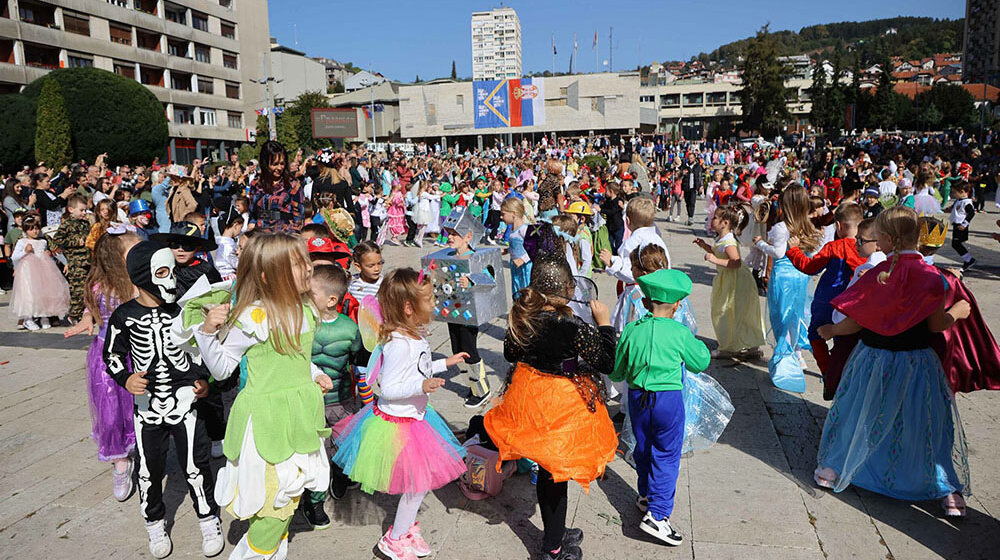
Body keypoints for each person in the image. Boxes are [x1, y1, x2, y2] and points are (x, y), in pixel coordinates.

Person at [814, 206, 973, 518]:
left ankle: (833, 468)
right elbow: (936, 324)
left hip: (873, 358)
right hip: (917, 362)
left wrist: (831, 329)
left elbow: (855, 321)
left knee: (859, 411)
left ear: (886, 239)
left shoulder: (877, 275)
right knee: (925, 421)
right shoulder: (932, 277)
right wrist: (958, 312)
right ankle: (946, 487)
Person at [184, 233, 331, 560]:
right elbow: (222, 369)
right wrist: (207, 333)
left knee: (287, 503)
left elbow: (297, 357)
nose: (308, 268)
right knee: (273, 508)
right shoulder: (253, 317)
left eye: (305, 260)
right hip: (266, 421)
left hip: (300, 414)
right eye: (296, 264)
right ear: (267, 275)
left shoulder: (305, 307)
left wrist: (313, 374)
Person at [482, 255, 618, 560]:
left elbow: (509, 352)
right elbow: (606, 362)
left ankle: (554, 531)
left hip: (529, 397)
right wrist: (606, 325)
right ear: (568, 288)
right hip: (562, 403)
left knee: (548, 471)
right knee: (556, 475)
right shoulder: (569, 323)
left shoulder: (523, 317)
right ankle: (553, 548)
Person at [332, 267, 469, 560]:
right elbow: (390, 388)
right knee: (416, 485)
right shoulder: (398, 344)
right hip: (398, 424)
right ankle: (394, 539)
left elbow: (420, 367)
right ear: (409, 308)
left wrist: (445, 363)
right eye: (429, 299)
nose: (434, 304)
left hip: (415, 418)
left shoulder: (413, 337)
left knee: (417, 487)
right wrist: (422, 384)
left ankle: (406, 527)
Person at [103, 241, 222, 559]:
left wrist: (204, 381)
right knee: (147, 470)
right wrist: (126, 379)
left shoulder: (184, 310)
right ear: (144, 276)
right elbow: (112, 356)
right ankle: (154, 523)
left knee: (196, 464)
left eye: (174, 271)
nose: (173, 279)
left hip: (185, 401)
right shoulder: (124, 316)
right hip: (147, 407)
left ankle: (208, 518)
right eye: (164, 272)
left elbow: (200, 350)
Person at [611, 269, 710, 547]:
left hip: (638, 398)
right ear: (677, 305)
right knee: (666, 455)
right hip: (668, 400)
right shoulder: (679, 332)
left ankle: (645, 495)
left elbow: (617, 371)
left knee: (643, 447)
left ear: (644, 303)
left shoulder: (633, 329)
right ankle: (658, 515)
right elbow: (700, 362)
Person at [65, 231, 140, 500]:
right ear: (117, 258)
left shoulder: (137, 283)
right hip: (106, 355)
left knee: (137, 405)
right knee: (110, 408)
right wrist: (88, 317)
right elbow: (91, 307)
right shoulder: (97, 286)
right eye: (134, 249)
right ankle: (121, 462)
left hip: (138, 352)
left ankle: (142, 447)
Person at [299, 264, 362, 528]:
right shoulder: (299, 323)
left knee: (341, 447)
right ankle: (312, 500)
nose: (303, 295)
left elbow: (358, 363)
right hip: (308, 401)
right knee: (312, 454)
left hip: (341, 400)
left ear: (331, 299)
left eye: (310, 292)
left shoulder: (350, 329)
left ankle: (339, 474)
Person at [784, 203, 865, 385]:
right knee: (844, 341)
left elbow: (810, 267)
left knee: (814, 334)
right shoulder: (866, 251)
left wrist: (794, 250)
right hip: (851, 306)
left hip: (827, 302)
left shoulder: (835, 246)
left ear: (838, 226)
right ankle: (841, 371)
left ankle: (827, 370)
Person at [753, 186, 818, 391]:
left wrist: (760, 243)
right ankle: (797, 354)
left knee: (781, 316)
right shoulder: (807, 225)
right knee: (795, 315)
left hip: (784, 277)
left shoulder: (782, 227)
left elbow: (778, 253)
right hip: (800, 275)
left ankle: (784, 359)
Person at [694, 206, 765, 358]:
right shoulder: (722, 238)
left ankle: (730, 347)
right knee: (736, 313)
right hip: (729, 280)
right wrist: (704, 246)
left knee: (728, 313)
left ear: (724, 223)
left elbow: (736, 262)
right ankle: (745, 345)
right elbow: (717, 251)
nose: (712, 219)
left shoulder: (729, 242)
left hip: (735, 282)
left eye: (714, 218)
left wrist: (714, 260)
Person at [10, 215, 71, 330]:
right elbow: (14, 257)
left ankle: (44, 316)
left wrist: (47, 254)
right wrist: (25, 251)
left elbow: (49, 252)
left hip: (43, 270)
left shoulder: (43, 241)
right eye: (31, 229)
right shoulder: (22, 242)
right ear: (25, 230)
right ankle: (28, 319)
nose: (35, 231)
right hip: (28, 271)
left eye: (37, 228)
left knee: (44, 292)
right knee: (29, 294)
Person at [52, 195, 93, 322]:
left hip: (88, 260)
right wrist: (76, 241)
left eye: (85, 210)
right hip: (76, 263)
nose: (84, 213)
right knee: (77, 291)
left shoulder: (85, 223)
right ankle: (74, 314)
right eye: (81, 210)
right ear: (71, 209)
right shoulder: (67, 225)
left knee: (88, 289)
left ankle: (85, 313)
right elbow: (57, 240)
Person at [251, 141, 303, 233]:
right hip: (261, 235)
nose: (279, 168)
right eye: (275, 164)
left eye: (282, 163)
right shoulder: (256, 184)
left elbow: (298, 216)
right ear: (265, 164)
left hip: (285, 235)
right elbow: (253, 212)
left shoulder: (293, 184)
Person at [501, 197, 531, 297]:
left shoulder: (524, 229)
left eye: (503, 214)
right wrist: (507, 250)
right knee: (517, 289)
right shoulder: (512, 231)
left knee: (526, 290)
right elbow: (516, 245)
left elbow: (535, 248)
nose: (501, 217)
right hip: (515, 266)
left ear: (513, 213)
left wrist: (522, 260)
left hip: (525, 267)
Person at [945, 181, 976, 270]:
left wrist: (965, 224)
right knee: (956, 244)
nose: (954, 194)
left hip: (961, 226)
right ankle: (968, 260)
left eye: (955, 192)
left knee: (956, 244)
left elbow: (971, 213)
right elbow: (955, 207)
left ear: (962, 191)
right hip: (956, 225)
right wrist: (949, 209)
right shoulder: (959, 200)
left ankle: (969, 260)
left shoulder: (967, 202)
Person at [213, 207, 243, 282]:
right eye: (241, 227)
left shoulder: (218, 241)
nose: (241, 230)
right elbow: (235, 263)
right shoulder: (228, 245)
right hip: (228, 277)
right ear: (235, 226)